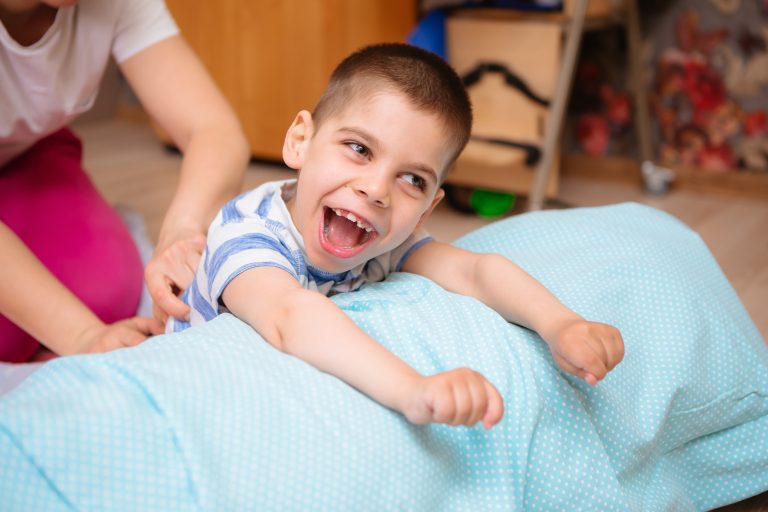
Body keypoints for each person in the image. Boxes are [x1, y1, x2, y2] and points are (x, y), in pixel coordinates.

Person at [167, 43, 625, 429]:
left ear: (428, 209)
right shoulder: (247, 233)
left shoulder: (388, 239)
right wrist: (411, 388)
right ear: (300, 141)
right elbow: (291, 316)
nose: (376, 189)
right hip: (190, 396)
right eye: (359, 149)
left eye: (413, 180)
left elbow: (474, 271)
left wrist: (560, 324)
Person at [0, 0, 250, 362]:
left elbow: (214, 129)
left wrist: (181, 230)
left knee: (109, 293)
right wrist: (83, 335)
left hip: (28, 157)